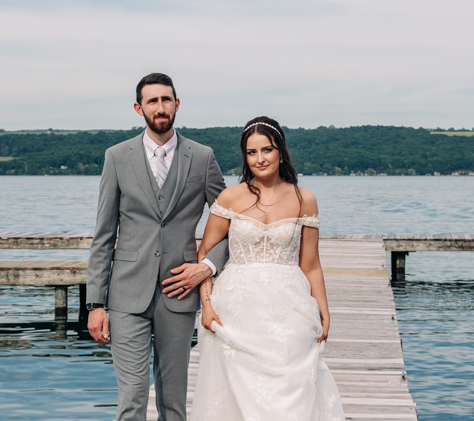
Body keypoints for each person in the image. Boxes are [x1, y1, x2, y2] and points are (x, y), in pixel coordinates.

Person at [86, 73, 230, 421]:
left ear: (177, 105)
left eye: (166, 100)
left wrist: (206, 267)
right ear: (139, 108)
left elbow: (232, 226)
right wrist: (95, 303)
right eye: (152, 101)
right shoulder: (117, 157)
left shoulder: (202, 157)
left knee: (173, 403)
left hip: (179, 293)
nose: (160, 107)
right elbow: (103, 234)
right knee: (132, 400)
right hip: (125, 295)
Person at [190, 117, 345, 421]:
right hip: (236, 307)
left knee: (292, 387)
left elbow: (310, 265)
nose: (259, 159)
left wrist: (324, 310)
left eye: (267, 150)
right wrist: (206, 306)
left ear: (280, 151)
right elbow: (205, 254)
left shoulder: (304, 199)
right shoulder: (230, 198)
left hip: (289, 305)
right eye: (251, 152)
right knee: (233, 393)